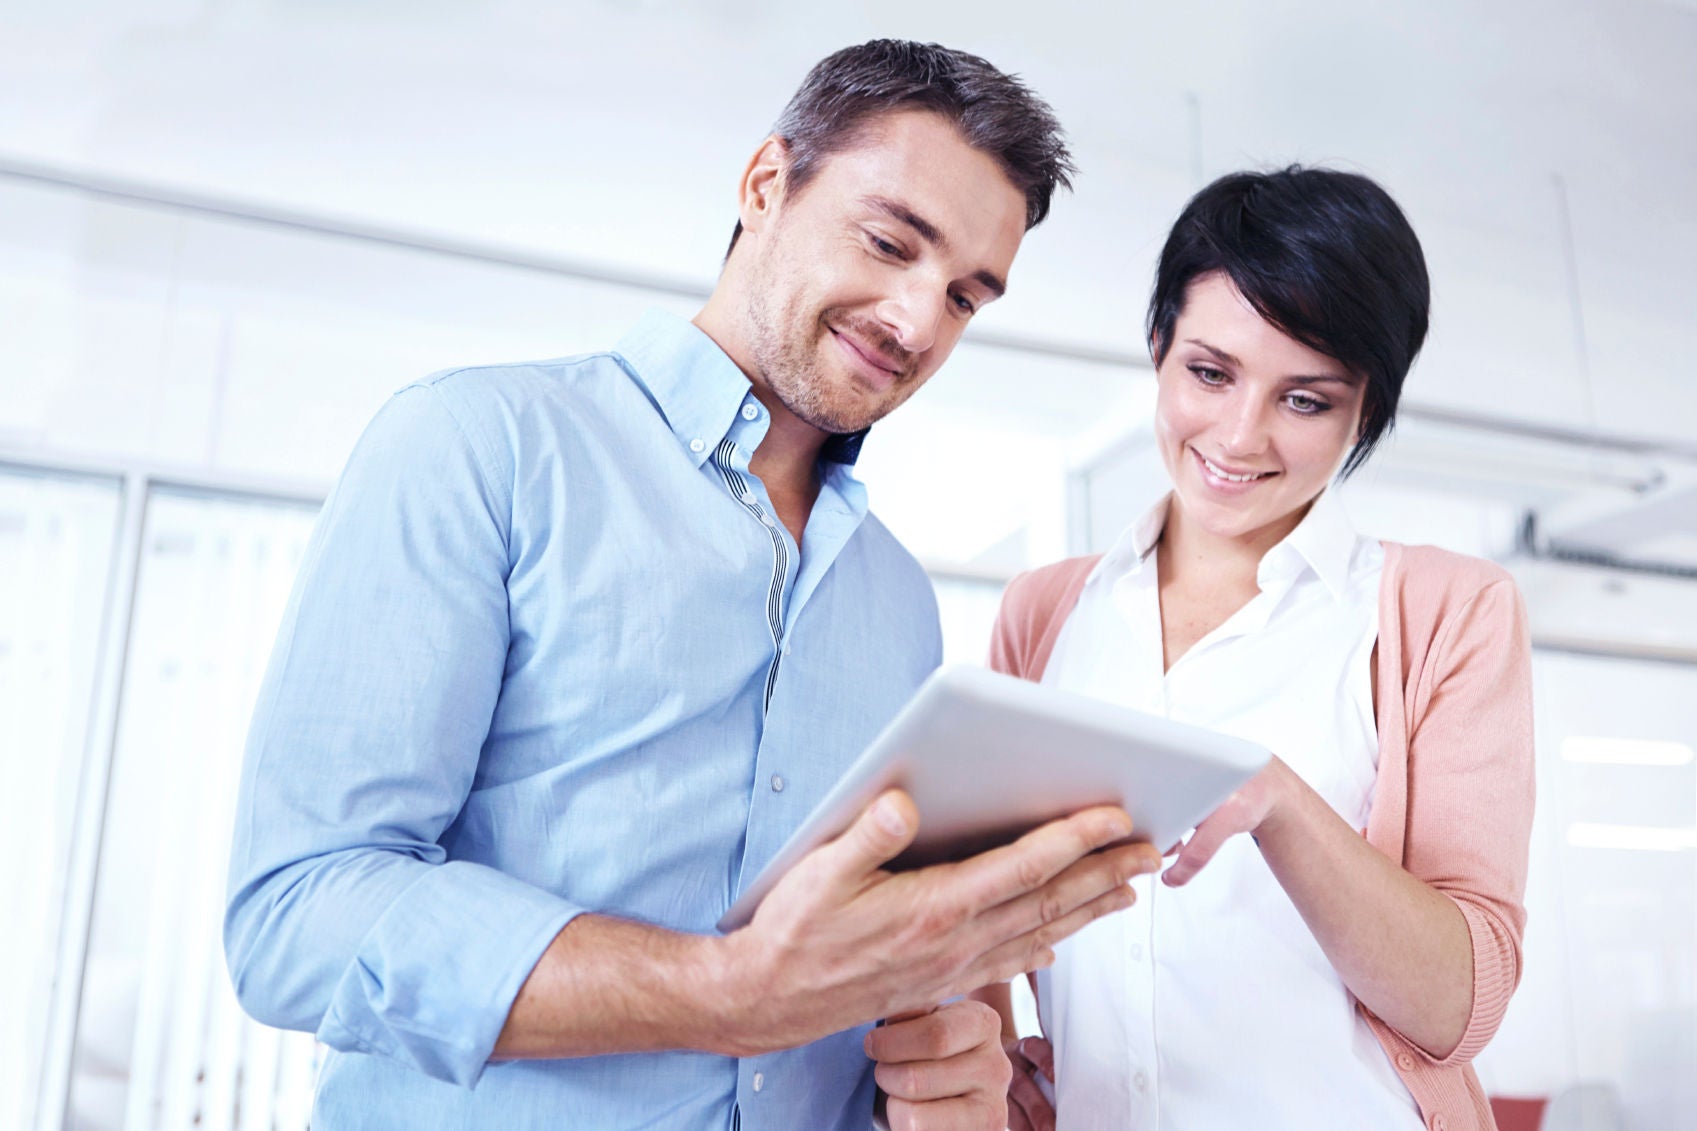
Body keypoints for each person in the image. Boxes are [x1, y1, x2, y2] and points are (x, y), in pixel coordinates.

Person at [223, 39, 1164, 1131]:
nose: (914, 323)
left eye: (962, 296)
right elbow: (298, 915)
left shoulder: (895, 599)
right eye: (887, 243)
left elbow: (852, 974)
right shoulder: (482, 446)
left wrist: (947, 1066)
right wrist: (723, 995)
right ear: (765, 184)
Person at [976, 167, 1535, 1131]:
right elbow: (981, 900)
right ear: (1158, 349)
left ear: (1366, 407)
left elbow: (1458, 1007)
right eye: (1209, 372)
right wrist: (990, 1062)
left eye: (1305, 400)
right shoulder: (1043, 612)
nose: (1239, 435)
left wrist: (1277, 800)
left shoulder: (1446, 610)